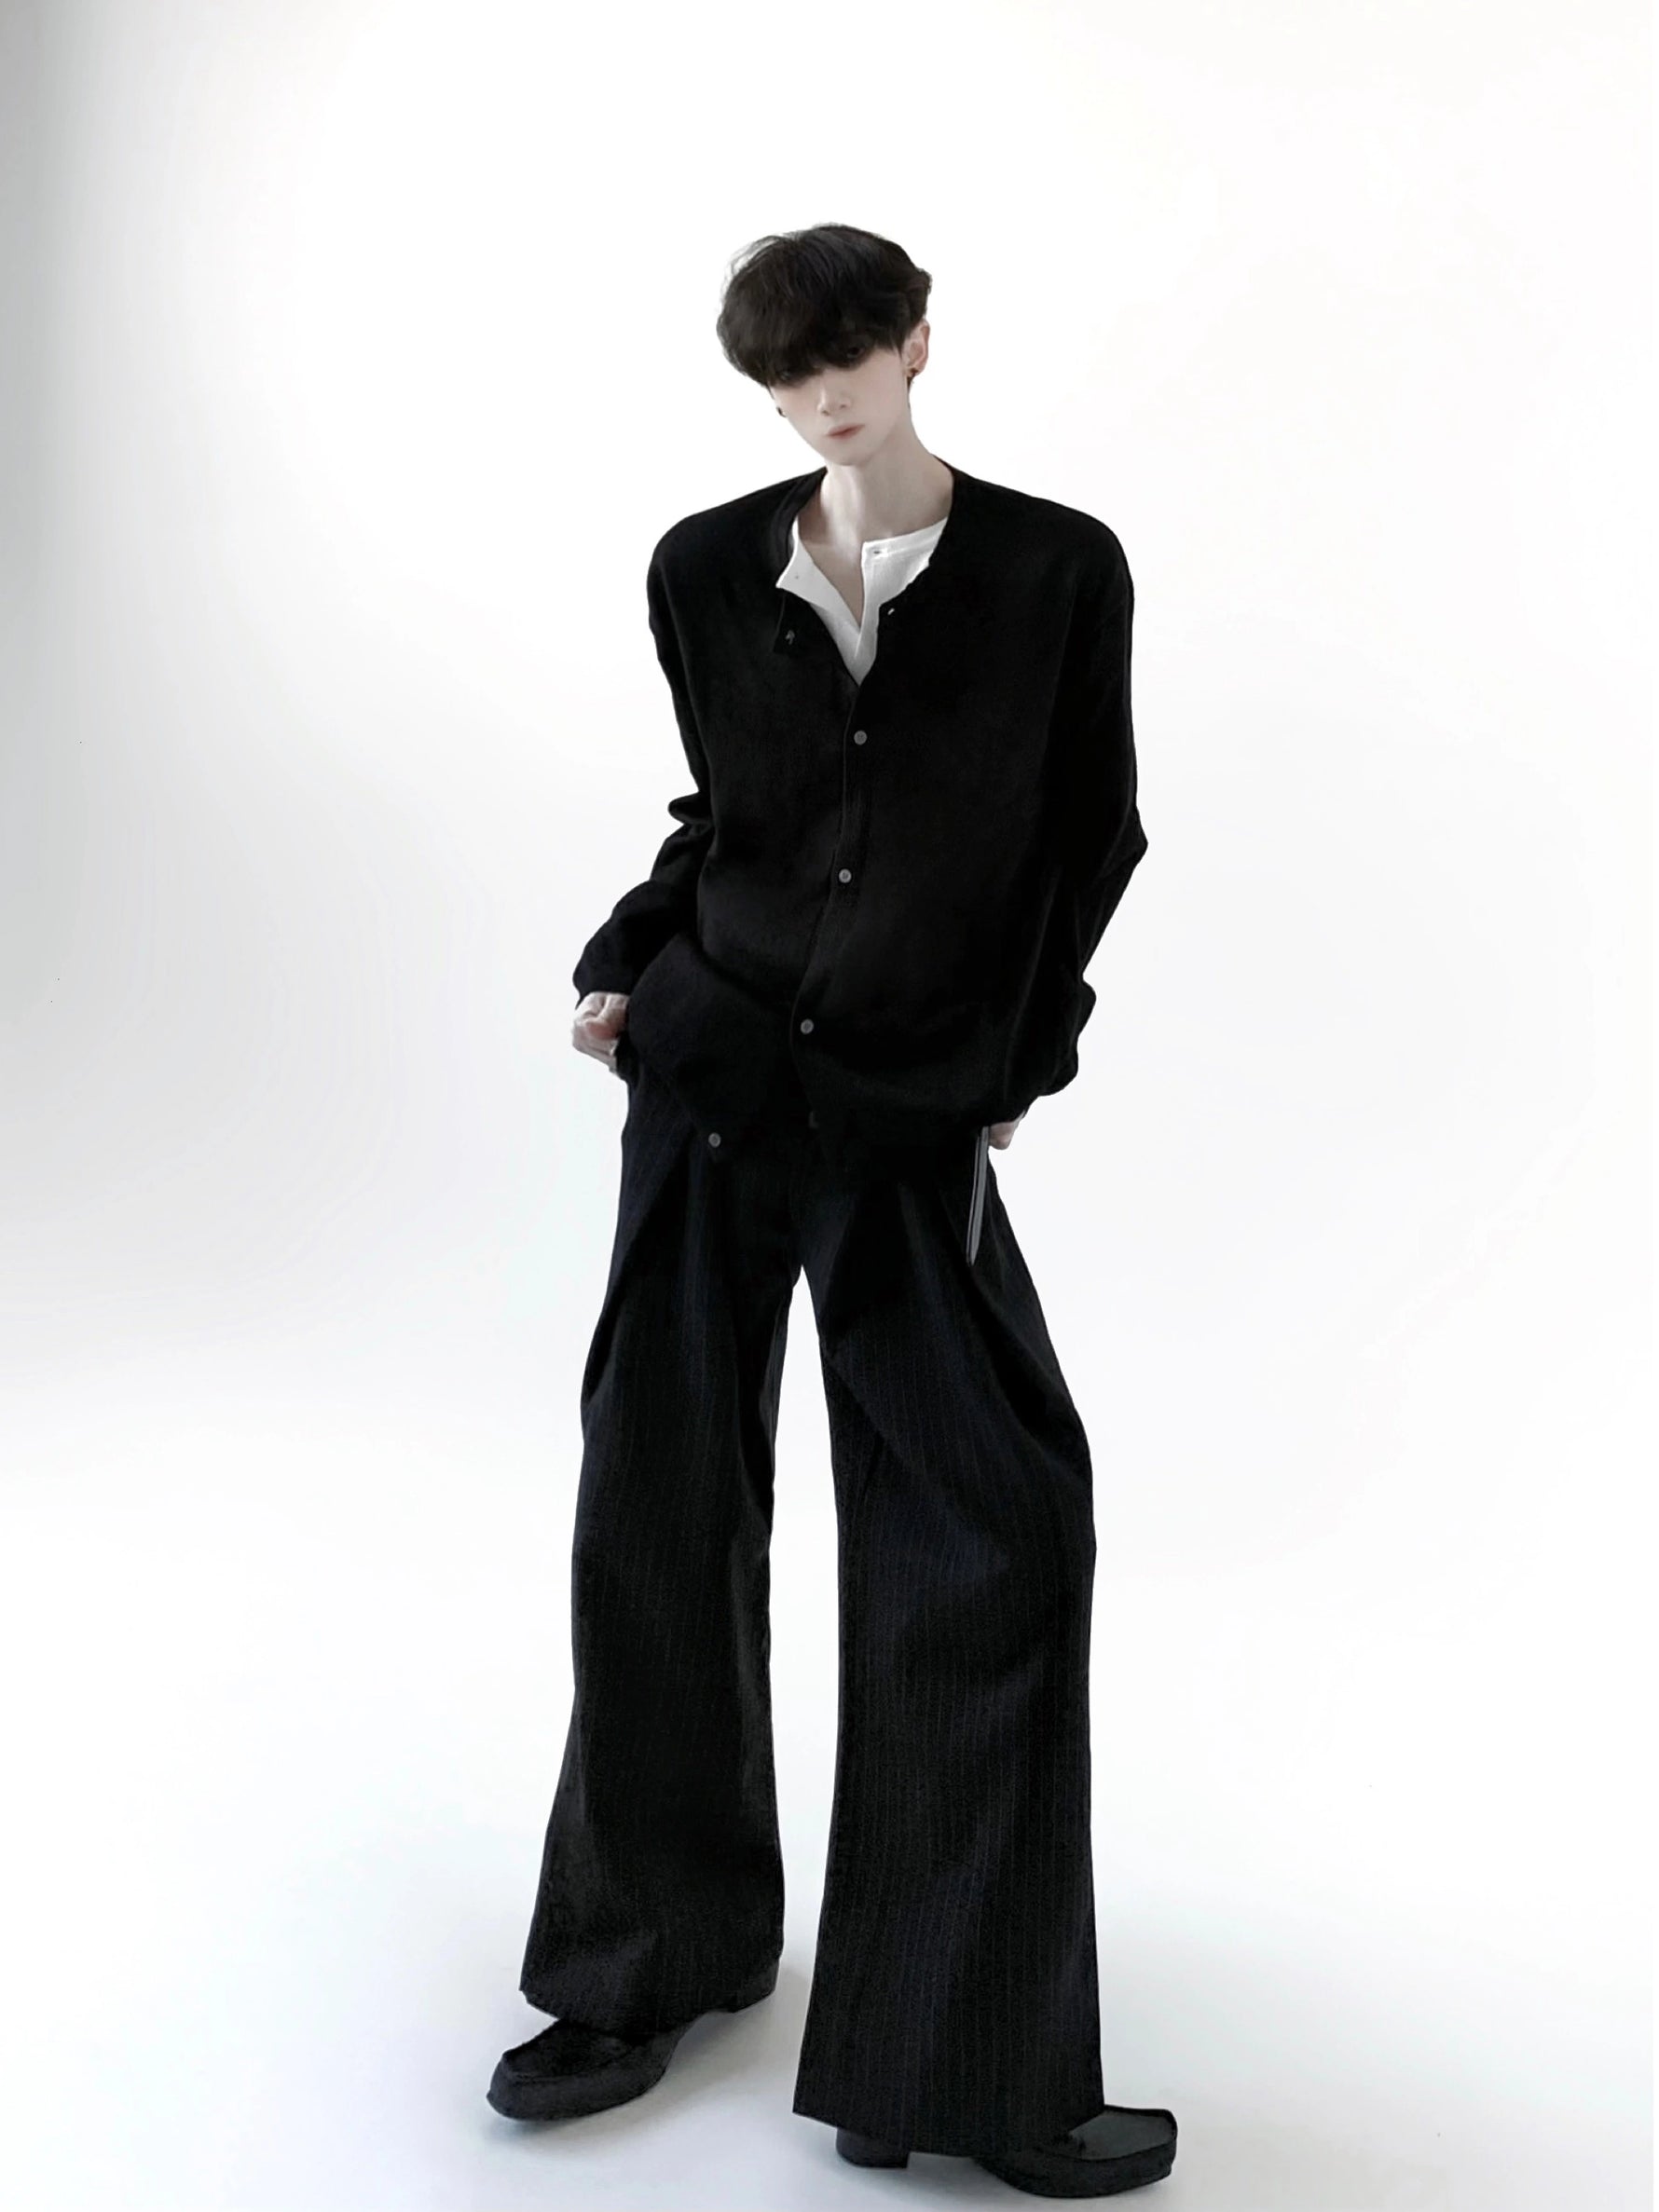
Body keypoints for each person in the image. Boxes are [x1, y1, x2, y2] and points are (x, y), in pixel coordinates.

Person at [486, 224, 1178, 2198]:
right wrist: (628, 958)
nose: (820, 401)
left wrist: (1011, 1059)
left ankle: (942, 2054)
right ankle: (645, 1961)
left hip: (900, 1107)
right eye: (786, 379)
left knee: (993, 1528)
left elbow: (1088, 832)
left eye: (848, 359)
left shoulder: (1056, 569)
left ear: (918, 342)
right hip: (708, 1083)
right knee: (658, 1499)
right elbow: (729, 813)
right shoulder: (705, 566)